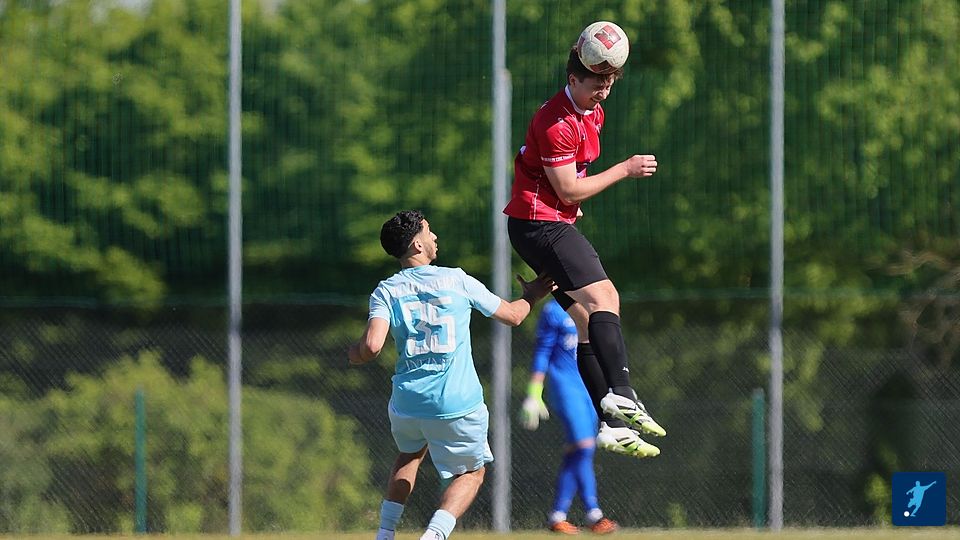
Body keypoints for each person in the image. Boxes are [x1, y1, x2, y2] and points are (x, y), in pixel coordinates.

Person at [503, 39, 665, 458]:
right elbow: (569, 188)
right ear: (573, 79)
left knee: (584, 320)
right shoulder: (555, 121)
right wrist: (624, 169)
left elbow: (569, 184)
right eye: (596, 84)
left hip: (546, 223)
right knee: (606, 298)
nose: (603, 92)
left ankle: (611, 426)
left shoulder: (592, 111)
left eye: (609, 84)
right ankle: (623, 393)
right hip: (539, 225)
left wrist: (569, 208)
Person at [349, 210, 554, 540]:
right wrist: (532, 294)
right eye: (429, 231)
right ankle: (434, 535)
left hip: (408, 402)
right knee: (472, 473)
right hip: (456, 403)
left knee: (409, 455)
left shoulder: (386, 290)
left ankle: (385, 533)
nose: (434, 237)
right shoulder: (456, 279)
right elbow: (513, 316)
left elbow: (372, 346)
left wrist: (354, 353)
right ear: (417, 244)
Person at [520, 299, 621, 534]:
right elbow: (543, 350)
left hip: (591, 387)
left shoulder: (596, 303)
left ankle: (558, 515)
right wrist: (534, 392)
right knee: (585, 446)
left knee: (578, 450)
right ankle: (594, 514)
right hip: (564, 385)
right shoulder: (554, 310)